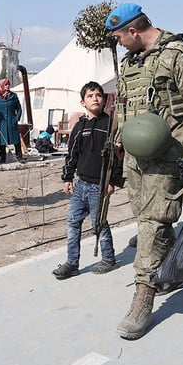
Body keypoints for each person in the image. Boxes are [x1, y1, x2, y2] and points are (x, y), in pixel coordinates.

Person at [105, 3, 183, 340]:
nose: (119, 44)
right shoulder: (130, 62)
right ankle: (170, 271)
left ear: (134, 31)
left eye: (119, 38)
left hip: (168, 157)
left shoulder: (177, 55)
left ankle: (143, 297)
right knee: (148, 218)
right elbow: (122, 106)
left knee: (153, 222)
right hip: (136, 160)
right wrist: (115, 144)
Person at [52, 81, 121, 280]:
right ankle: (72, 263)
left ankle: (109, 258)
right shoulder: (79, 126)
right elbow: (72, 154)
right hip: (80, 184)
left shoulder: (110, 124)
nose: (95, 98)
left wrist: (112, 181)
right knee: (73, 222)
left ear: (104, 99)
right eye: (90, 96)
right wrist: (67, 177)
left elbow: (116, 157)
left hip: (99, 186)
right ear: (83, 102)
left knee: (99, 224)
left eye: (99, 95)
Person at [0, 78, 25, 164]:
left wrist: (16, 118)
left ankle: (19, 157)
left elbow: (19, 108)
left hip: (12, 121)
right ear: (1, 86)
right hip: (1, 122)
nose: (8, 86)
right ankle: (3, 158)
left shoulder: (13, 96)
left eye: (8, 84)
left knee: (16, 140)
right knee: (2, 141)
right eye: (6, 84)